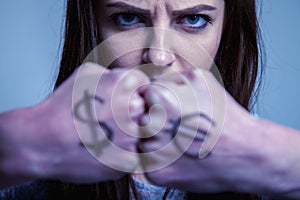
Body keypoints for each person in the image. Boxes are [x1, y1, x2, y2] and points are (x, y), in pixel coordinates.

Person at [0, 0, 300, 199]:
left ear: (228, 27)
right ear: (92, 25)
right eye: (127, 18)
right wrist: (18, 144)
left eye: (193, 19)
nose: (158, 55)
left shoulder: (272, 166)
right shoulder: (27, 166)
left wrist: (273, 160)